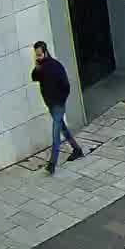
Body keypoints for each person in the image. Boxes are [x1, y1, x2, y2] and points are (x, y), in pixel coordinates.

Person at [30, 42, 84, 175]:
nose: (38, 57)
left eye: (40, 55)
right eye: (37, 55)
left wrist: (61, 100)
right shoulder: (41, 67)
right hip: (50, 103)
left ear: (45, 52)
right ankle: (77, 149)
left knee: (56, 133)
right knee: (62, 128)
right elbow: (34, 78)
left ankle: (52, 164)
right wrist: (37, 67)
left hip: (58, 104)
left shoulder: (55, 66)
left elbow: (66, 86)